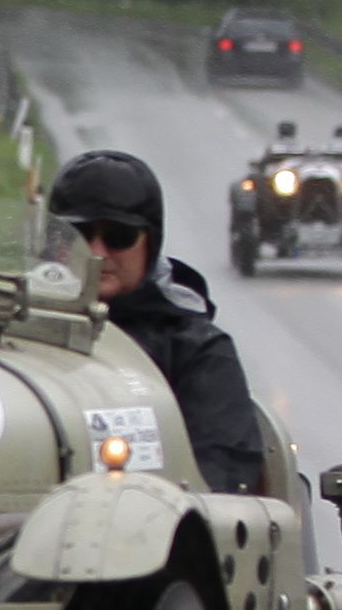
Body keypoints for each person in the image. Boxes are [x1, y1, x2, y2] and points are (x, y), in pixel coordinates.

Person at [46, 149, 268, 492]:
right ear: (55, 242)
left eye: (119, 236)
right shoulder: (15, 327)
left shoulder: (197, 350)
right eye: (79, 233)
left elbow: (222, 474)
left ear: (150, 243)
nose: (98, 252)